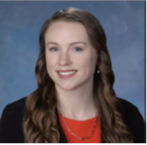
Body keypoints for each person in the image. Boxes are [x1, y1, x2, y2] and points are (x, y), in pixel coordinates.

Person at [0, 7, 145, 144]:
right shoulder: (17, 117)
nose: (63, 61)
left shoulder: (129, 116)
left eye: (76, 49)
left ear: (99, 57)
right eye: (54, 48)